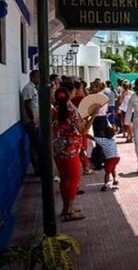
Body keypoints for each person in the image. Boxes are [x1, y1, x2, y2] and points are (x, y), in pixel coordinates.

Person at [52, 86, 98, 221]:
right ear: (70, 96)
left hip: (58, 150)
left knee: (64, 179)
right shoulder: (72, 112)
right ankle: (69, 211)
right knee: (73, 180)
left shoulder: (54, 111)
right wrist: (93, 115)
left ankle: (66, 208)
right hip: (71, 150)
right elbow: (83, 131)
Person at [22, 70, 41, 176]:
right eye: (38, 76)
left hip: (36, 121)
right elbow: (27, 105)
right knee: (36, 146)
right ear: (32, 77)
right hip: (31, 122)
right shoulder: (28, 88)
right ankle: (37, 168)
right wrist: (33, 119)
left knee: (37, 145)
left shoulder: (35, 88)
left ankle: (38, 168)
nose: (39, 78)